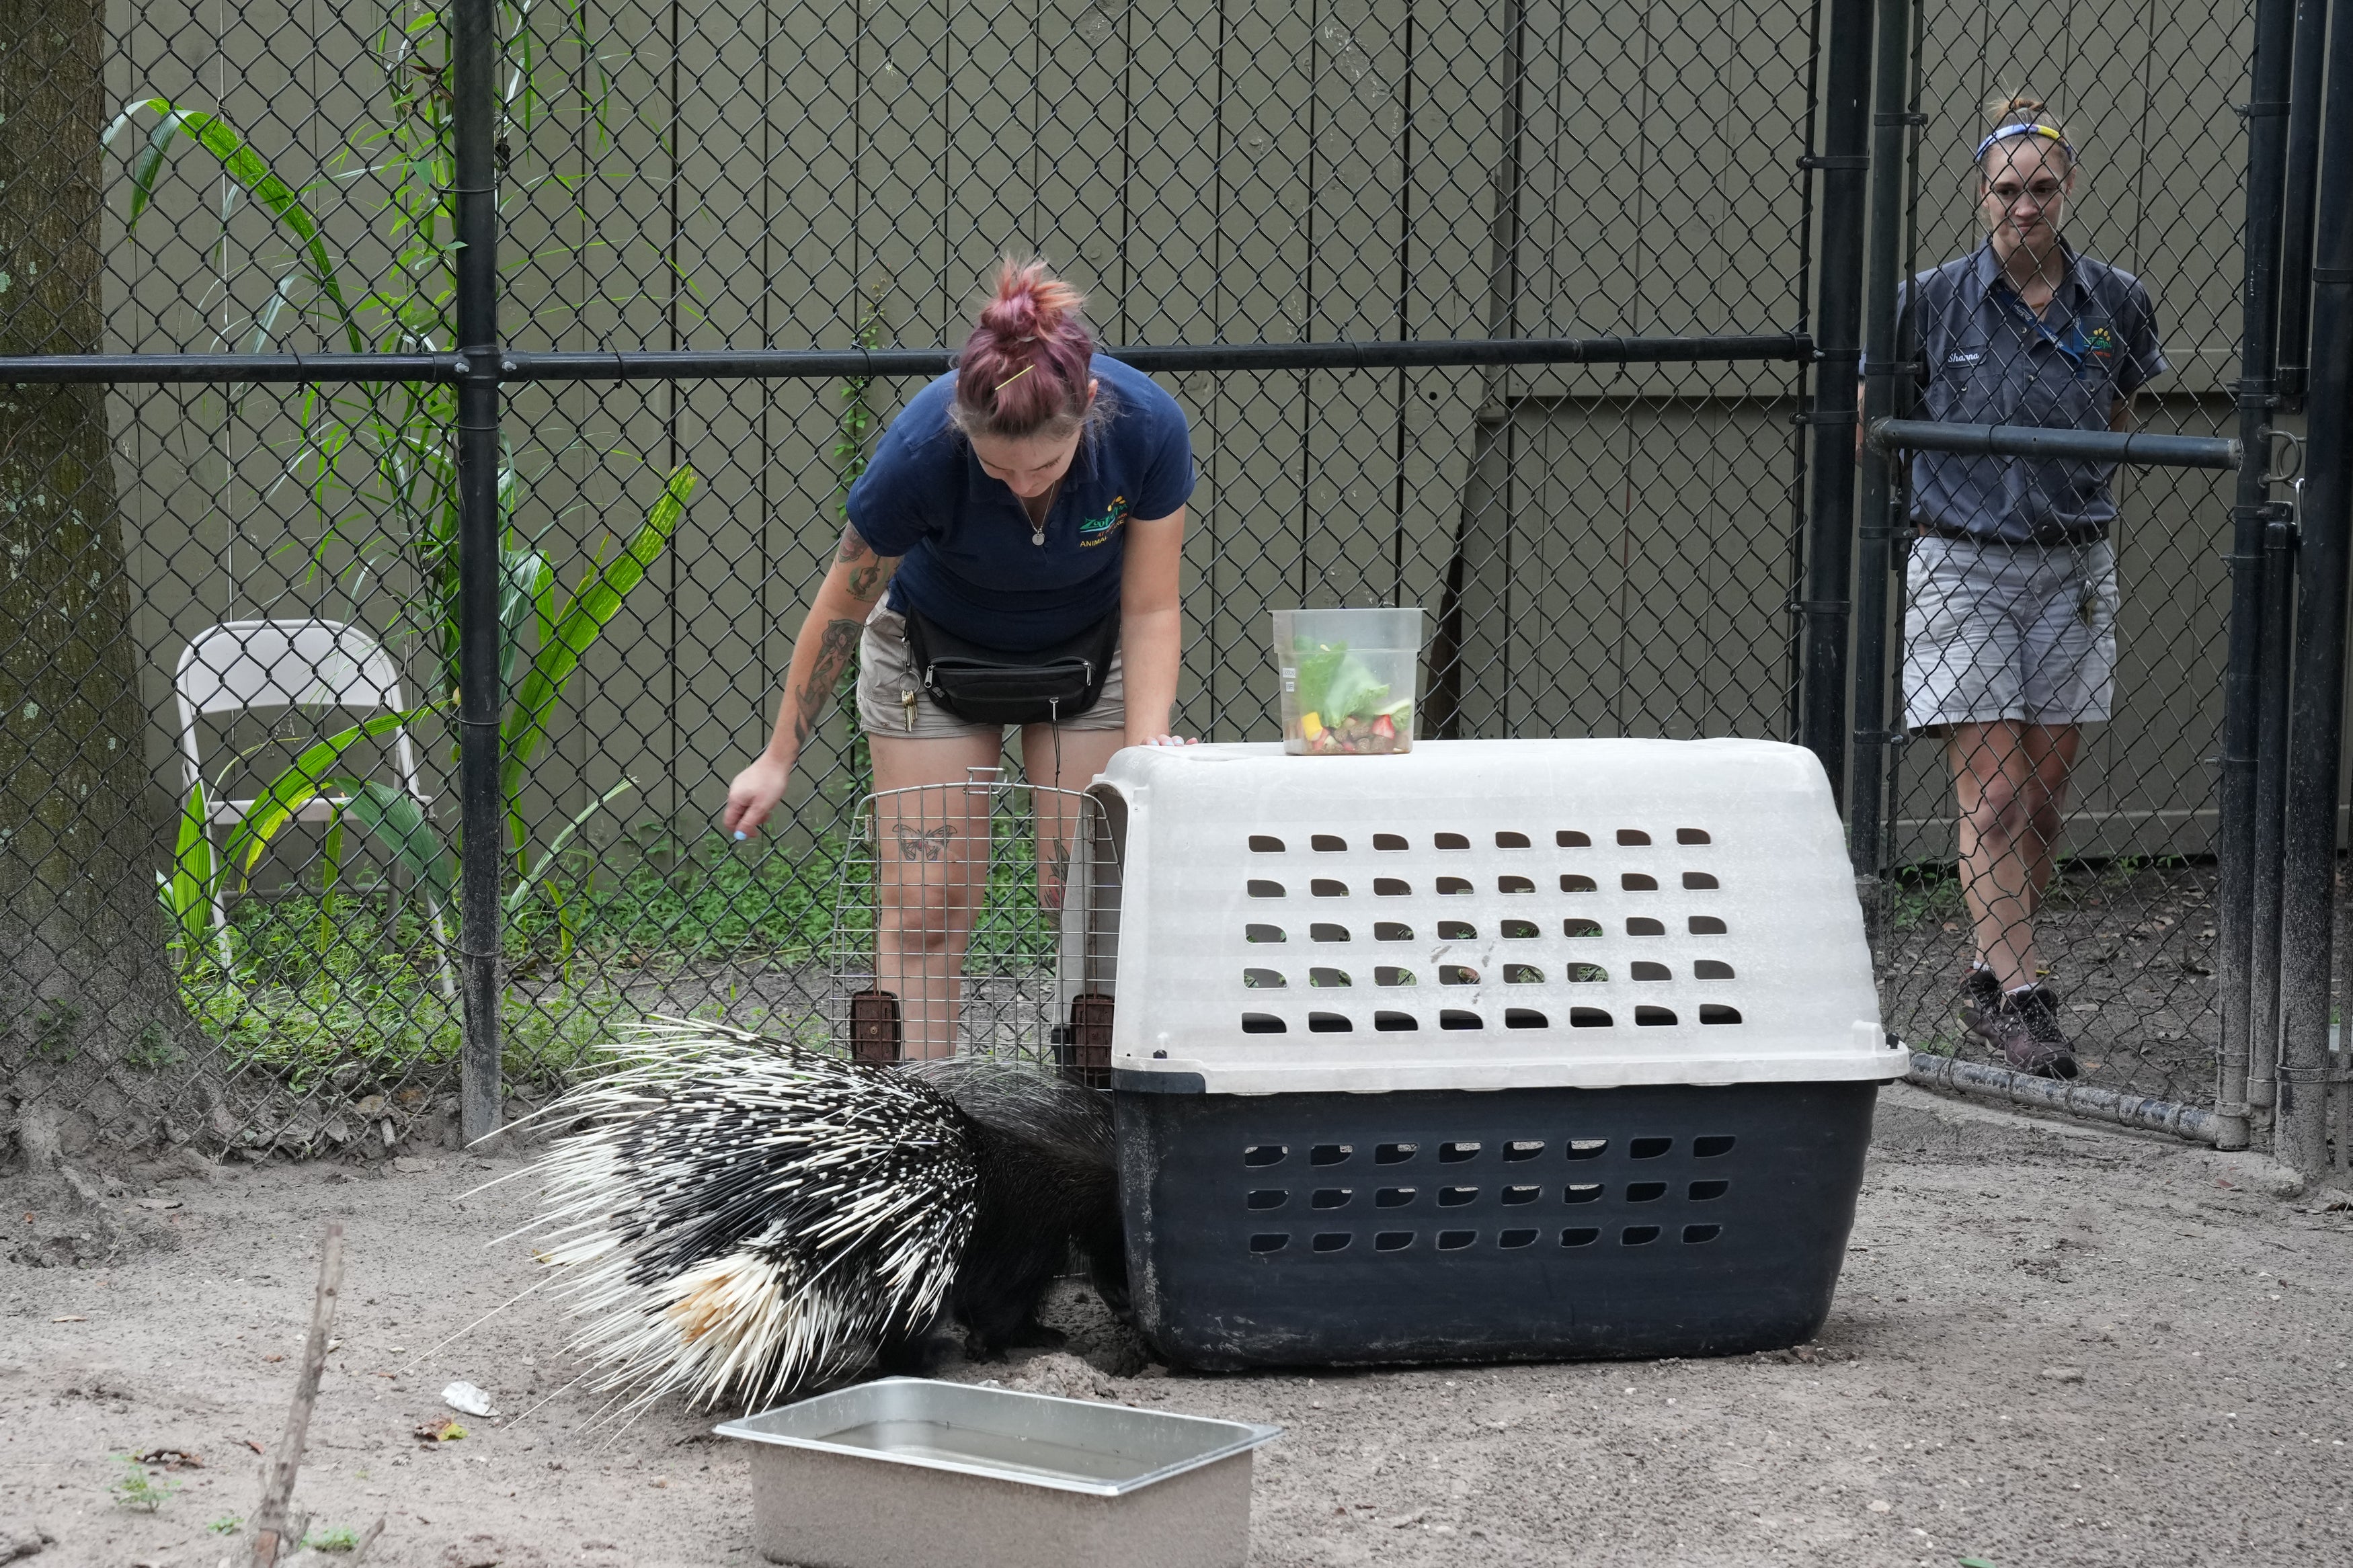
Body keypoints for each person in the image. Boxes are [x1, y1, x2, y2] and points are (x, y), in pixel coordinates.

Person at [722, 259, 1195, 1059]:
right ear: (961, 429)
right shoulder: (919, 447)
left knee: (1082, 898)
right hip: (931, 656)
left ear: (1086, 405)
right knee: (924, 903)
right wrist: (777, 757)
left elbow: (1150, 607)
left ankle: (1101, 1123)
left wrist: (1144, 751)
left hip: (1089, 659)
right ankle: (918, 1117)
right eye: (995, 468)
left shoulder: (1147, 426)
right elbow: (842, 604)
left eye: (1042, 467)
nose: (1019, 487)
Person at [1892, 97, 2165, 1077]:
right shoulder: (1930, 301)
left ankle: (1985, 966)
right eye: (2007, 190)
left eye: (2042, 188)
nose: (2024, 208)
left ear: (2068, 188)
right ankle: (2024, 994)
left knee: (2044, 800)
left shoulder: (2116, 303)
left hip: (2073, 562)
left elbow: (2125, 404)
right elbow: (1875, 419)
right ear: (1981, 194)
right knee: (1997, 792)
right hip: (1963, 556)